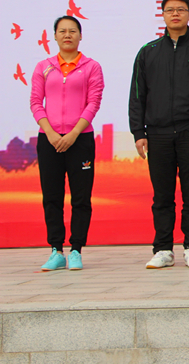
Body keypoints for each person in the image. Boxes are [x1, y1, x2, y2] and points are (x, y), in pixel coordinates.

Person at [129, 0, 189, 269]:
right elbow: (137, 95)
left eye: (181, 9)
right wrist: (138, 132)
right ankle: (163, 249)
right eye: (170, 10)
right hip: (157, 133)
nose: (175, 14)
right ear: (162, 14)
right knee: (162, 195)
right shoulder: (148, 52)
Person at [30, 16, 104, 271]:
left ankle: (76, 250)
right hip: (49, 140)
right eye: (62, 31)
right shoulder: (44, 67)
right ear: (55, 36)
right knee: (52, 197)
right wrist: (50, 133)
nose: (67, 35)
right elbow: (36, 103)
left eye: (73, 31)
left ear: (80, 36)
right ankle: (56, 250)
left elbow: (93, 103)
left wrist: (73, 134)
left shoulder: (91, 67)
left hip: (80, 139)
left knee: (81, 198)